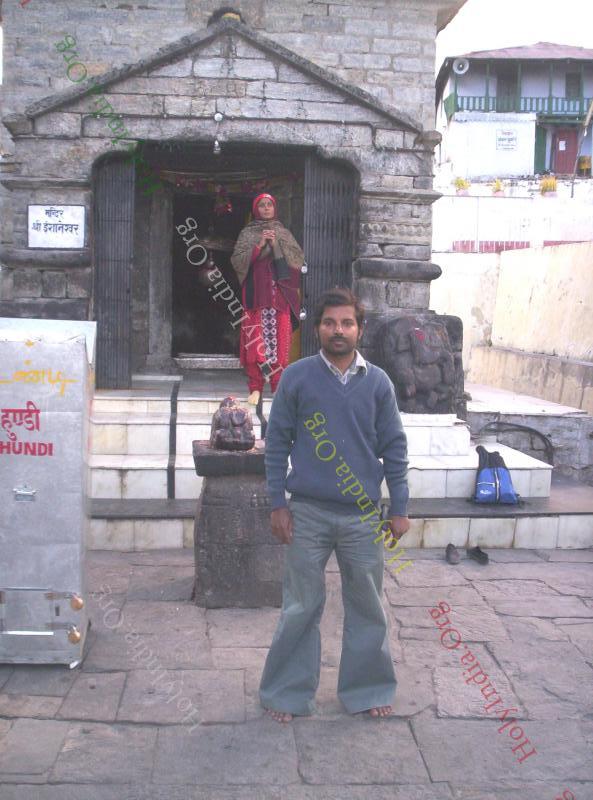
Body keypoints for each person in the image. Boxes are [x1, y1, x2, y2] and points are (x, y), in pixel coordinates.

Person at [260, 287, 410, 723]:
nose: (338, 330)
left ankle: (368, 689)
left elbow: (394, 447)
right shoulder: (297, 378)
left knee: (367, 606)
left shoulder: (378, 383)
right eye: (329, 322)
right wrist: (277, 503)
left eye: (347, 323)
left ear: (360, 329)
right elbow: (276, 442)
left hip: (363, 515)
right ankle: (287, 693)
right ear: (318, 329)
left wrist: (399, 507)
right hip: (307, 512)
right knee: (300, 606)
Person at [230, 193, 304, 405]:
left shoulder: (284, 233)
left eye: (269, 204)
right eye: (261, 205)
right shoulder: (248, 233)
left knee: (279, 344)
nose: (265, 208)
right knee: (256, 344)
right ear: (256, 209)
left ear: (274, 208)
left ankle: (278, 386)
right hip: (256, 298)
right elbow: (237, 261)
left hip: (279, 299)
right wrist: (260, 245)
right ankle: (255, 387)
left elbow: (297, 260)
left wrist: (277, 245)